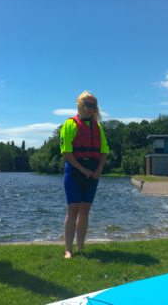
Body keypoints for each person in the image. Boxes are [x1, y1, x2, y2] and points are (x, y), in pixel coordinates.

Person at [59, 91, 109, 258]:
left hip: (93, 173)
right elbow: (66, 152)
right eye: (88, 105)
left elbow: (104, 151)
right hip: (74, 171)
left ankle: (80, 246)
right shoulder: (70, 124)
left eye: (93, 105)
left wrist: (98, 171)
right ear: (80, 105)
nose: (91, 108)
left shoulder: (97, 127)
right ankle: (68, 249)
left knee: (85, 210)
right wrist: (83, 169)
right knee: (73, 209)